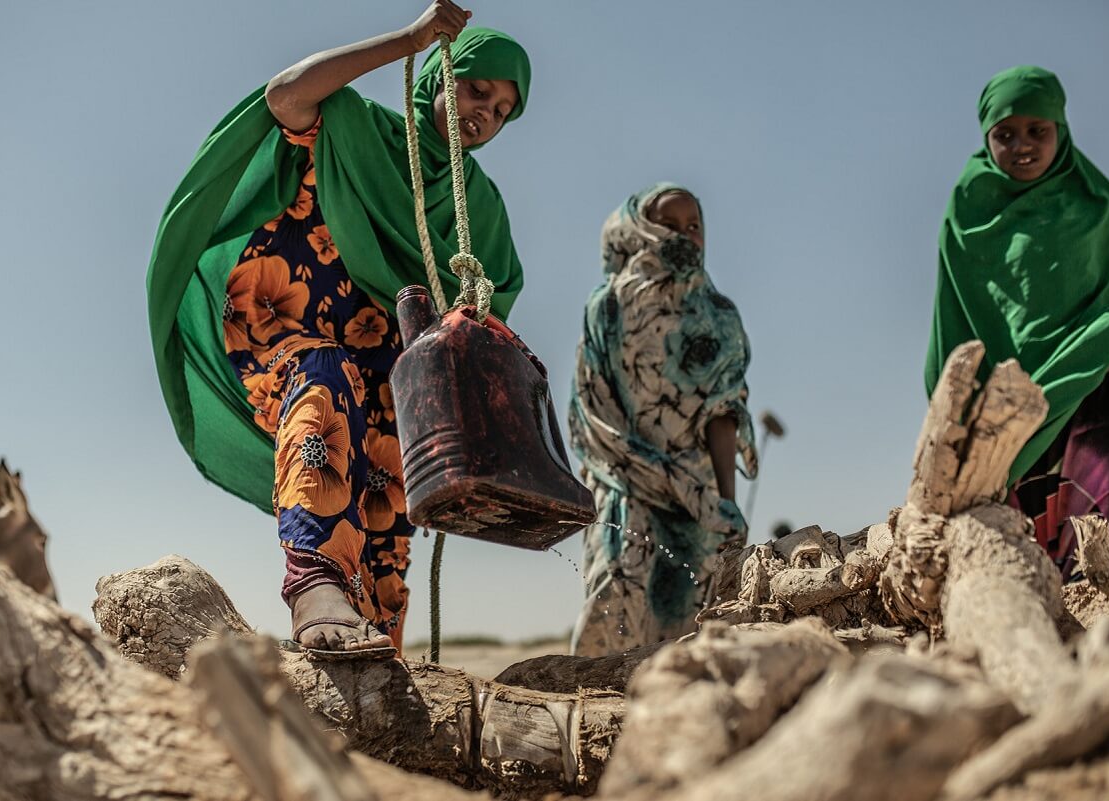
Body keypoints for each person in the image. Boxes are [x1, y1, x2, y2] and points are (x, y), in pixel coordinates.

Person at [146, 1, 532, 657]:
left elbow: (492, 305)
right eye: (478, 89)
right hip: (288, 322)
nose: (485, 115)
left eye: (501, 111)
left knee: (387, 512)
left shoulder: (482, 208)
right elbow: (285, 95)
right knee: (322, 383)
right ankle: (312, 584)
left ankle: (372, 668)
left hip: (391, 371)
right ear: (443, 73)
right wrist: (409, 39)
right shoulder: (355, 127)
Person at [926, 66, 1109, 579]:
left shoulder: (1097, 207)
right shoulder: (967, 210)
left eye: (1038, 130)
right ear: (987, 137)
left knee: (1098, 588)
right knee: (1013, 577)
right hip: (1008, 426)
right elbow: (953, 322)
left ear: (1061, 130)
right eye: (1005, 134)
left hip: (1101, 407)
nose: (1022, 145)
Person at [568, 183, 756, 656]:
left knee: (698, 612)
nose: (684, 236)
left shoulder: (717, 315)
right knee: (616, 589)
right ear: (640, 231)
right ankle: (598, 715)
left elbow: (723, 410)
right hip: (623, 478)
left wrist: (725, 506)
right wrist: (636, 468)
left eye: (694, 226)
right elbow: (594, 405)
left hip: (696, 492)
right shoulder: (607, 306)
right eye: (669, 225)